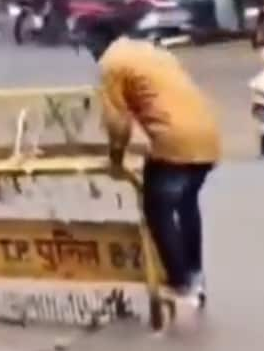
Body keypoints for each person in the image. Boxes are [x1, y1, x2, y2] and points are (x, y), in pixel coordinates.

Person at [82, 20, 221, 303]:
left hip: (174, 141)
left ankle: (181, 284)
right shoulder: (152, 51)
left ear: (98, 43)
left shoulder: (111, 63)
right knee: (186, 204)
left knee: (157, 210)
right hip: (207, 135)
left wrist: (116, 158)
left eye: (89, 48)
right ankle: (195, 276)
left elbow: (117, 123)